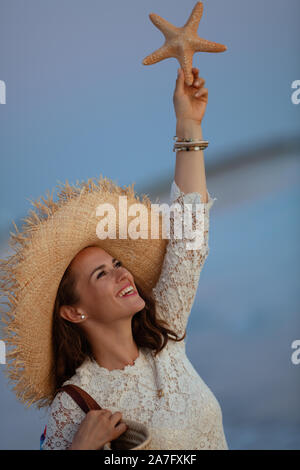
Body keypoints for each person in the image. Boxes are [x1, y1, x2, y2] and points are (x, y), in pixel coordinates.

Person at [0, 67, 228, 450]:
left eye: (118, 264)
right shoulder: (73, 405)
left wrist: (188, 122)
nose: (122, 275)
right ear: (73, 312)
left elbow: (190, 236)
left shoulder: (165, 335)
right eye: (101, 274)